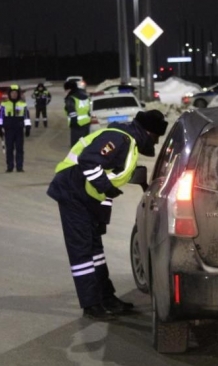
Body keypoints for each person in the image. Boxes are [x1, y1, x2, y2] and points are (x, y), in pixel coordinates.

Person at [47, 110, 168, 320]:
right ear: (149, 132)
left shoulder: (128, 143)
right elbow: (88, 161)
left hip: (86, 197)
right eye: (156, 137)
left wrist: (101, 213)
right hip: (72, 191)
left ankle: (106, 297)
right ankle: (91, 304)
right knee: (82, 251)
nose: (155, 143)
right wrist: (106, 188)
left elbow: (107, 180)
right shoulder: (118, 138)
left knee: (96, 250)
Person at [0, 85, 31, 172]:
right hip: (9, 130)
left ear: (18, 94)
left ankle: (19, 167)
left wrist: (28, 128)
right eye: (12, 93)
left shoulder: (23, 105)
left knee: (19, 149)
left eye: (16, 93)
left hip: (19, 130)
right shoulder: (4, 104)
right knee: (9, 149)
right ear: (9, 94)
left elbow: (26, 117)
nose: (14, 94)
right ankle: (10, 167)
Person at [64, 80, 91, 147]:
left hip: (76, 123)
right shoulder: (85, 96)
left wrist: (73, 121)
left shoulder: (71, 98)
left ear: (70, 89)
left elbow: (71, 110)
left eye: (66, 90)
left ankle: (76, 157)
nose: (65, 92)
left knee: (76, 145)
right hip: (86, 122)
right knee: (85, 142)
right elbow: (89, 109)